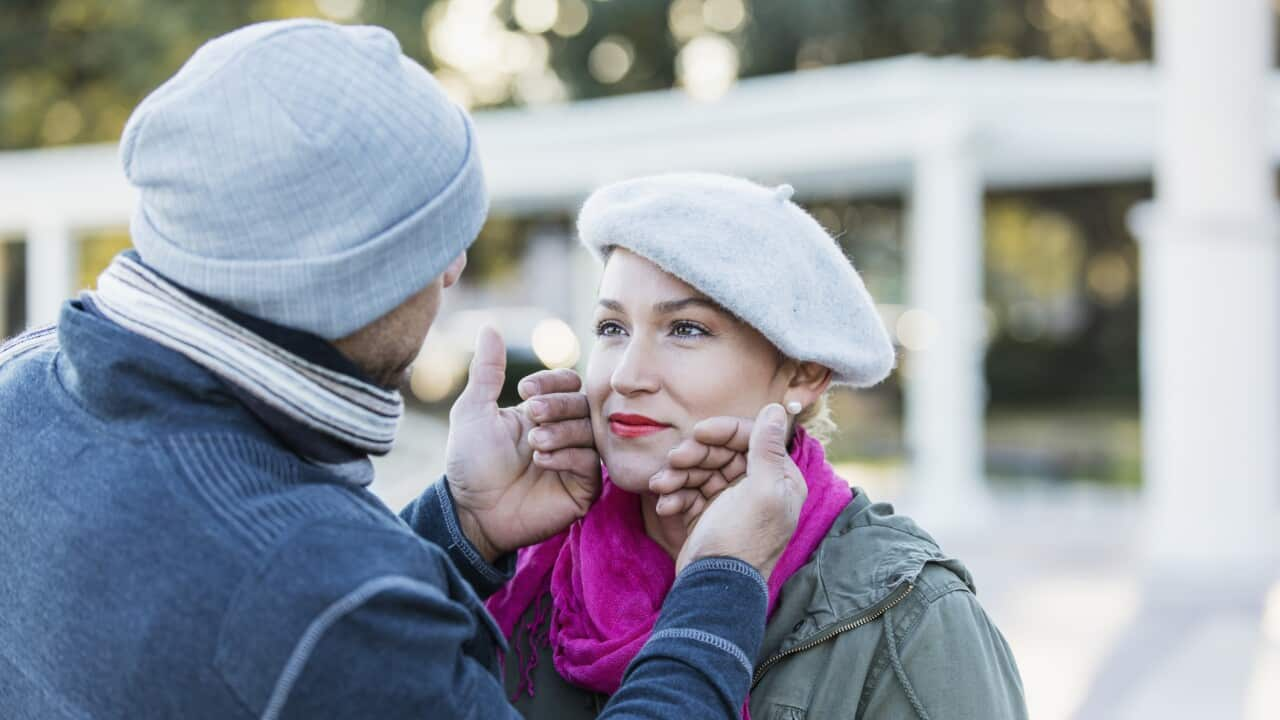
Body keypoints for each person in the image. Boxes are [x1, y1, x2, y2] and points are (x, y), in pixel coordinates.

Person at [0, 21, 804, 719]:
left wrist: (462, 526)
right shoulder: (324, 601)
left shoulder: (22, 383)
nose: (453, 268)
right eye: (425, 245)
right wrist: (722, 583)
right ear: (346, 273)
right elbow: (314, 621)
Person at [485, 173, 1029, 719]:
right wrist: (467, 535)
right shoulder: (525, 566)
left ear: (804, 373)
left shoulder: (911, 618)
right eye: (611, 327)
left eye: (686, 329)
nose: (627, 376)